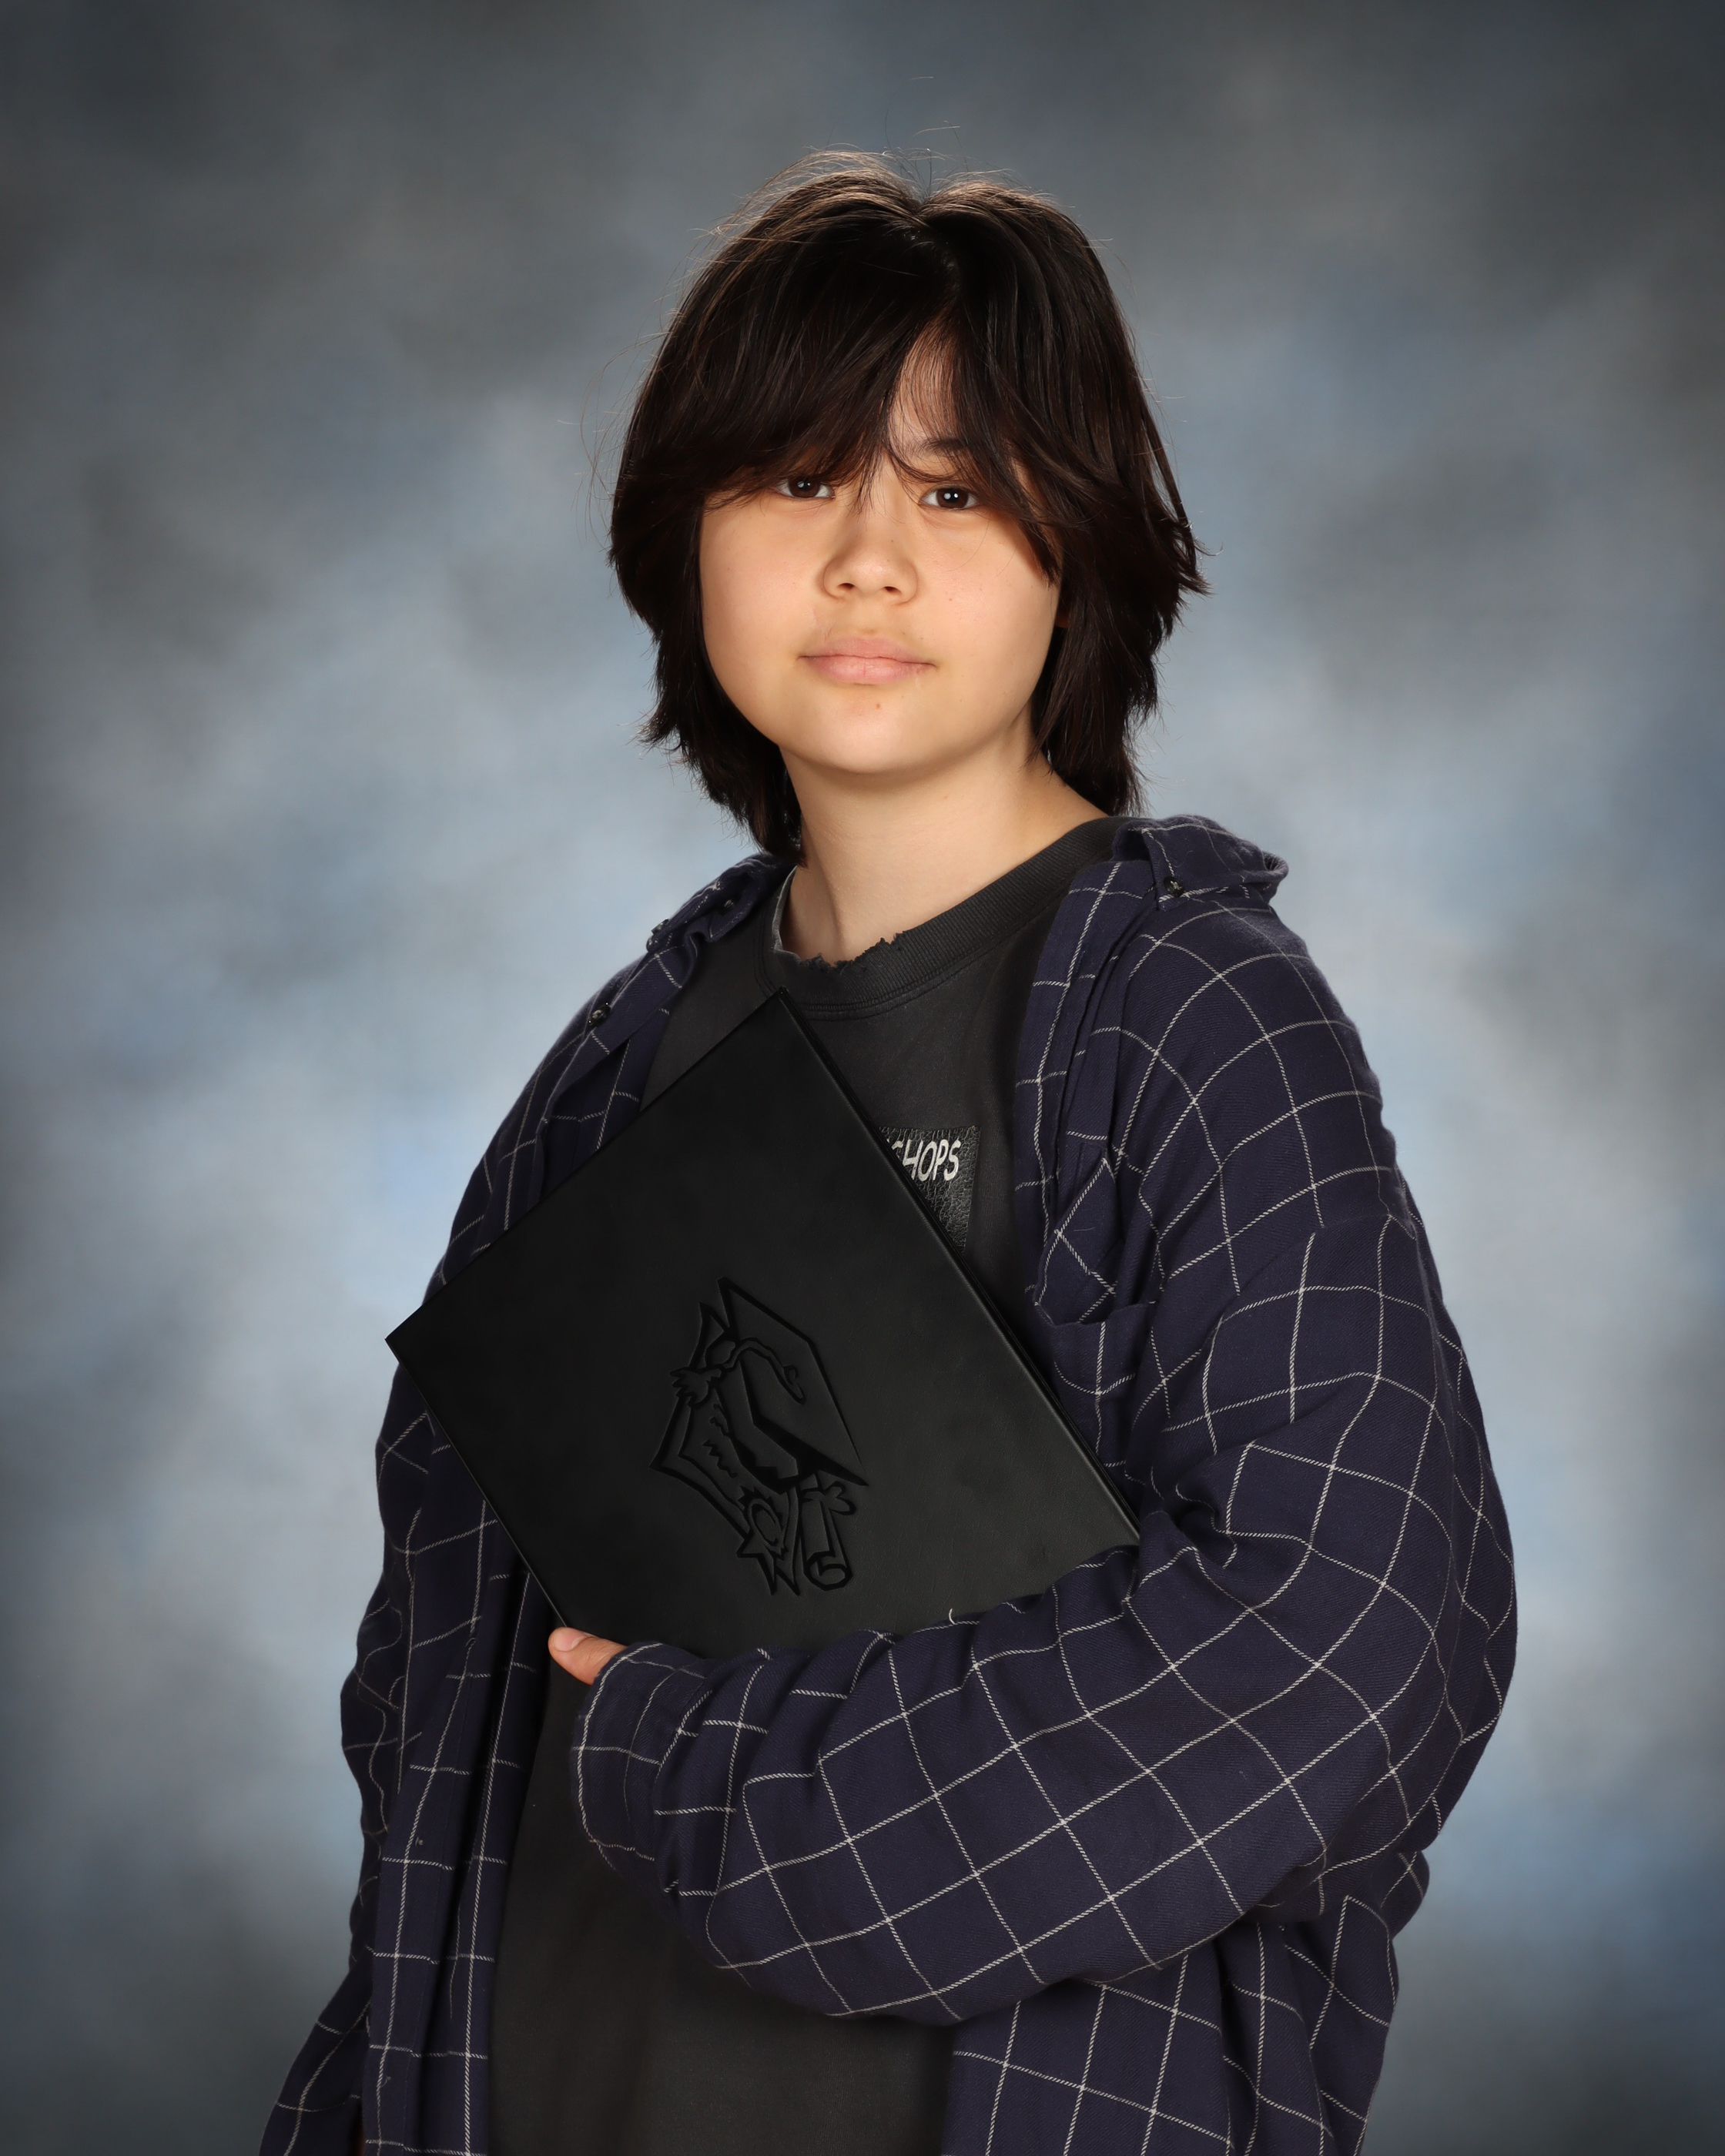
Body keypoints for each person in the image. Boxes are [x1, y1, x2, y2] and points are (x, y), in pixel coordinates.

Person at [264, 156, 1515, 2156]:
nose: (865, 562)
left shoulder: (1191, 1017)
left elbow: (1352, 1636)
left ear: (1079, 548)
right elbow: (432, 1707)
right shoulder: (614, 1068)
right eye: (793, 478)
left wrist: (715, 1775)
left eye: (954, 490)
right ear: (684, 538)